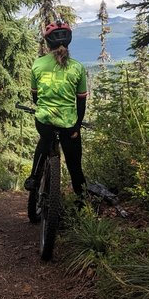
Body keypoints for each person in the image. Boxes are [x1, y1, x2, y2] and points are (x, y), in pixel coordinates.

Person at [24, 20, 88, 203]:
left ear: (47, 42)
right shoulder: (77, 67)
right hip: (69, 124)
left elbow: (36, 98)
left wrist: (44, 107)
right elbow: (81, 101)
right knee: (75, 165)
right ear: (68, 41)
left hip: (44, 122)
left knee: (45, 140)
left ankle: (34, 178)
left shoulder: (38, 64)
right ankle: (82, 203)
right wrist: (77, 125)